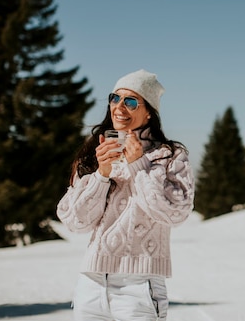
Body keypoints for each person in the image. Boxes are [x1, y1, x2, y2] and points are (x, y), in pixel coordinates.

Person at [57, 69, 195, 321]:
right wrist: (101, 174)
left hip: (139, 286)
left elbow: (175, 213)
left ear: (149, 111)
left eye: (131, 101)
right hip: (91, 283)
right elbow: (74, 222)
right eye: (115, 98)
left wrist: (139, 164)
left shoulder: (170, 155)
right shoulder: (93, 154)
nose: (120, 107)